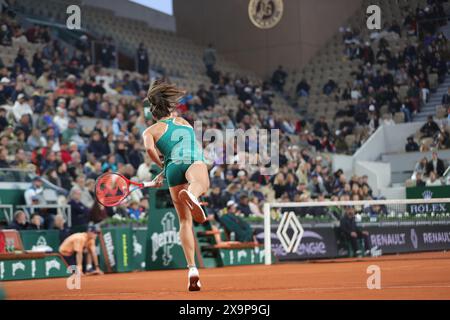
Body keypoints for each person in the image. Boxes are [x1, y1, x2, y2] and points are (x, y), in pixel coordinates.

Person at [142, 79, 210, 291]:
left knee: (184, 221)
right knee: (200, 182)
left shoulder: (150, 131)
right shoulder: (182, 122)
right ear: (168, 108)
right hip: (192, 160)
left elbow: (150, 151)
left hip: (172, 170)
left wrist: (161, 168)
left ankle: (192, 269)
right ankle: (193, 194)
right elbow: (188, 148)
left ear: (153, 114)